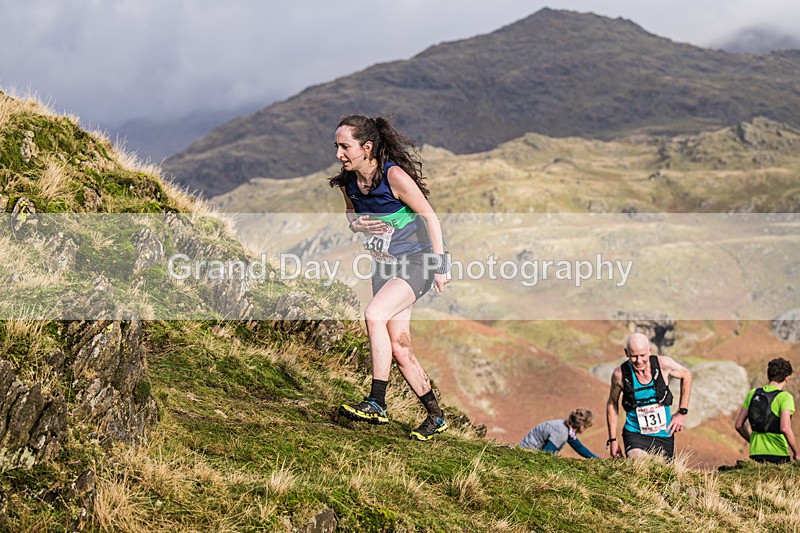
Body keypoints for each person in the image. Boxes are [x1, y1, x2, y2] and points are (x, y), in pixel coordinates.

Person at [331, 114, 450, 441]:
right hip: (385, 266)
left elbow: (430, 216)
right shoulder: (349, 181)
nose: (339, 154)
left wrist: (441, 266)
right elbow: (351, 215)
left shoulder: (393, 176)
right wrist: (357, 225)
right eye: (337, 146)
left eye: (345, 146)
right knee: (399, 346)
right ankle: (436, 417)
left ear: (366, 147)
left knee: (374, 314)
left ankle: (376, 402)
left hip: (418, 261)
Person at [606, 332, 692, 459]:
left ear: (650, 351)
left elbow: (686, 375)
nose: (639, 361)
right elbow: (612, 404)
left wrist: (682, 412)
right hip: (635, 433)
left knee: (663, 475)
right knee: (637, 459)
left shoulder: (663, 364)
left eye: (642, 355)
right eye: (634, 356)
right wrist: (613, 440)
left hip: (664, 435)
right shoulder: (619, 375)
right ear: (626, 353)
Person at [733, 357, 800, 464]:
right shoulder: (785, 397)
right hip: (778, 454)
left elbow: (738, 425)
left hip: (756, 454)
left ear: (768, 375)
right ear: (787, 378)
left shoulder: (753, 393)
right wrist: (797, 453)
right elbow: (785, 428)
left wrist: (752, 440)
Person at [519, 408, 600, 459]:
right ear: (582, 427)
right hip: (526, 454)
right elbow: (545, 455)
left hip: (527, 451)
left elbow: (579, 448)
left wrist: (598, 461)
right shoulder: (561, 433)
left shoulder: (565, 427)